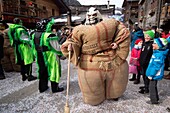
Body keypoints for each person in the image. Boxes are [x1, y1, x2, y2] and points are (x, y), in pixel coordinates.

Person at [61, 15, 130, 105]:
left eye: (94, 15)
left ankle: (113, 95)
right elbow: (74, 40)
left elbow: (123, 33)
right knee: (93, 90)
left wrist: (117, 43)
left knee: (115, 84)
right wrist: (70, 45)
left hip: (111, 60)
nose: (92, 17)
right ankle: (96, 99)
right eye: (90, 15)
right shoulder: (80, 30)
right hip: (90, 60)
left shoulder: (112, 25)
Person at [31, 18, 64, 93]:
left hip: (39, 54)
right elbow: (57, 48)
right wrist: (62, 54)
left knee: (42, 71)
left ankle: (42, 87)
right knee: (53, 71)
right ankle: (55, 88)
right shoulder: (49, 35)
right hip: (50, 56)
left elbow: (33, 46)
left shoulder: (34, 34)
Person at [146, 38, 169, 104]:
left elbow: (156, 67)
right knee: (153, 86)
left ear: (159, 46)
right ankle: (155, 97)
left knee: (152, 87)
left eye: (154, 43)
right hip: (153, 73)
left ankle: (153, 100)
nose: (152, 44)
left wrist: (151, 74)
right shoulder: (156, 53)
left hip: (154, 74)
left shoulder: (158, 55)